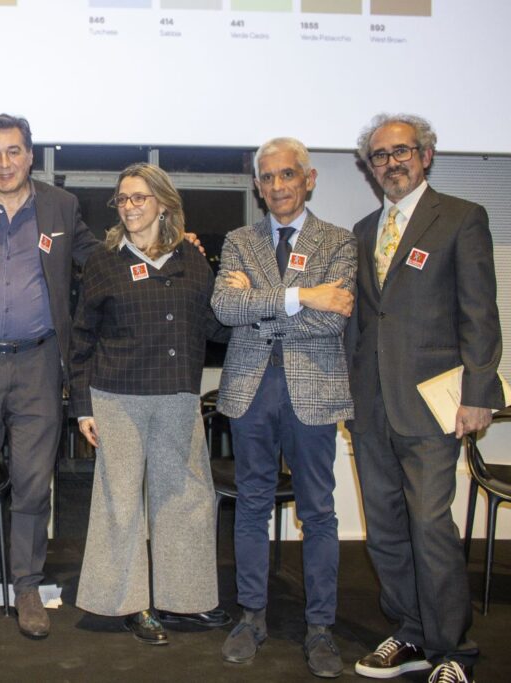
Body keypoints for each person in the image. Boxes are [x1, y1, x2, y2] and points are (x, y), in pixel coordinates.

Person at [348, 114, 503, 683]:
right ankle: (409, 631)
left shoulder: (462, 218)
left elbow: (480, 316)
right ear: (370, 166)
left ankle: (452, 651)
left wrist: (480, 392)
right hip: (371, 406)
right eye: (380, 156)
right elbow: (363, 324)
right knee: (385, 527)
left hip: (434, 408)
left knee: (431, 526)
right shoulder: (364, 230)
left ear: (426, 155)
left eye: (402, 151)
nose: (392, 163)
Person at [0, 114, 99, 641]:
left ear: (30, 155)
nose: (3, 163)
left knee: (32, 483)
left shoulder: (60, 206)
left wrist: (161, 239)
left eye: (13, 152)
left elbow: (96, 260)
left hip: (38, 364)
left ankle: (27, 588)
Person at [211, 137, 355, 678]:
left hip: (312, 391)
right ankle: (251, 616)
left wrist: (264, 303)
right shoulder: (239, 239)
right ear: (257, 184)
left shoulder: (338, 241)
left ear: (309, 178)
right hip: (251, 390)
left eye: (287, 175)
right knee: (251, 505)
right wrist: (304, 295)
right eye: (267, 177)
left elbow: (334, 318)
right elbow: (225, 307)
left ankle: (320, 628)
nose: (277, 186)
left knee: (318, 511)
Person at [70, 162, 228, 645]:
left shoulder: (192, 258)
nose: (131, 207)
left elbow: (214, 328)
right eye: (123, 199)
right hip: (117, 395)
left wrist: (238, 293)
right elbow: (81, 337)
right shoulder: (104, 258)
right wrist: (82, 405)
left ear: (163, 203)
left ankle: (187, 601)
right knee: (120, 504)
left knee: (186, 500)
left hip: (179, 394)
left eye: (140, 197)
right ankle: (128, 604)